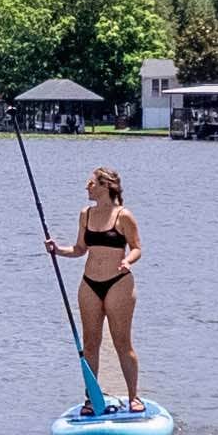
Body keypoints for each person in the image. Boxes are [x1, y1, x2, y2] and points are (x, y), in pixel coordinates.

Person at [45, 164, 144, 412]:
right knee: (90, 343)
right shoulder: (85, 214)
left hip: (118, 283)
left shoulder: (124, 216)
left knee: (122, 342)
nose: (86, 187)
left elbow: (137, 248)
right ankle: (92, 398)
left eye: (91, 183)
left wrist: (127, 260)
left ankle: (134, 397)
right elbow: (79, 249)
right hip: (89, 283)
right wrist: (57, 249)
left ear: (105, 186)